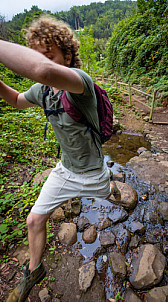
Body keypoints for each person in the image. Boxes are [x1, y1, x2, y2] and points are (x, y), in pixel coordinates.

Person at [0, 16, 121, 302]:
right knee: (33, 220)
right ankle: (34, 270)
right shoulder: (42, 91)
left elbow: (42, 71)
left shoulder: (80, 82)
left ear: (67, 56)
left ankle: (112, 188)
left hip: (93, 172)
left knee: (107, 192)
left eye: (50, 54)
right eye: (36, 53)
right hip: (65, 171)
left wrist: (41, 64)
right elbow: (17, 100)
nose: (43, 61)